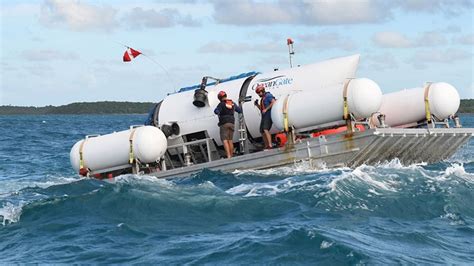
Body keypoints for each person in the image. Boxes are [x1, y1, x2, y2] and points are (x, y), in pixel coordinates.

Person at [214, 91, 242, 158]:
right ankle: (231, 155)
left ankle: (228, 156)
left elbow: (216, 111)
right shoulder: (232, 103)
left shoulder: (221, 104)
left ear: (219, 98)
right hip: (232, 122)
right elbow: (239, 110)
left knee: (224, 140)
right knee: (230, 140)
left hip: (224, 123)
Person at [254, 84, 276, 150]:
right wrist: (257, 104)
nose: (259, 94)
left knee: (265, 129)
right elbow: (262, 109)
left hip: (268, 115)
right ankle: (266, 145)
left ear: (262, 91)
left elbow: (273, 102)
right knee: (262, 131)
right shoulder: (262, 99)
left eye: (259, 93)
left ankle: (270, 145)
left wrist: (266, 109)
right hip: (264, 116)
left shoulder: (268, 96)